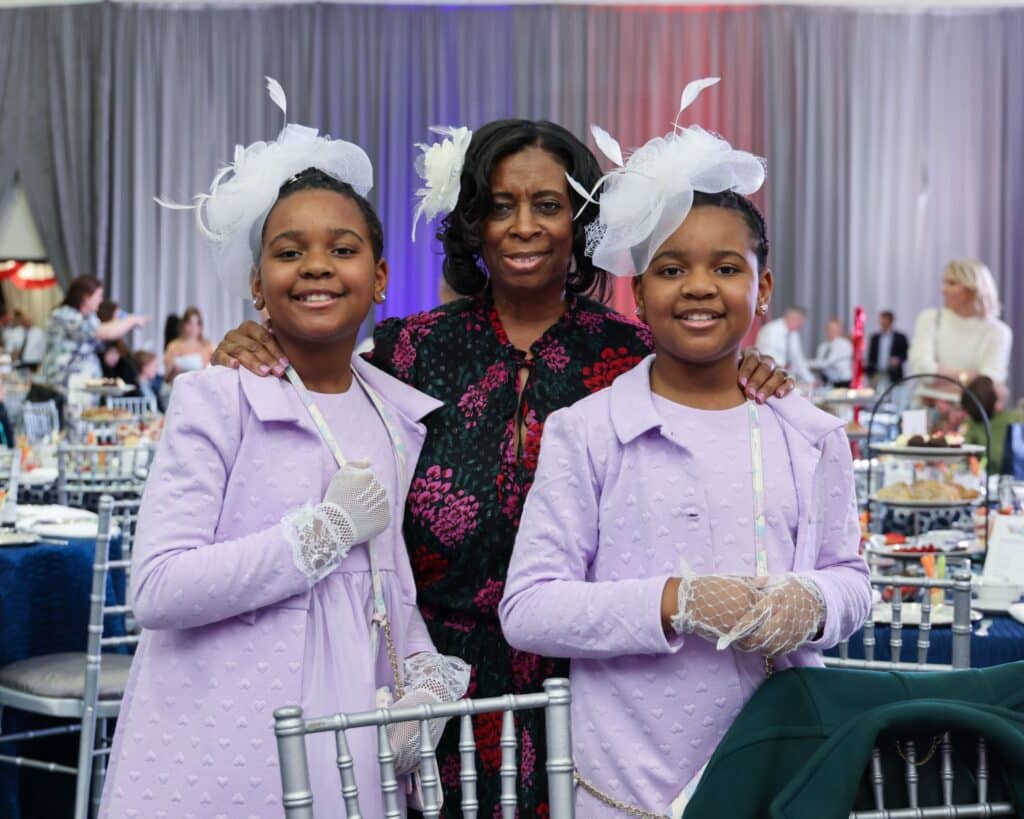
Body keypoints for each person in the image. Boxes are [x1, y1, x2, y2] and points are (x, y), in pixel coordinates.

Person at [213, 112, 795, 816]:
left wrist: (752, 367)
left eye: (547, 205)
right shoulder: (408, 351)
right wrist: (256, 342)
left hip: (592, 691)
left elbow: (709, 392)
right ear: (473, 223)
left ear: (580, 221)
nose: (523, 225)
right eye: (500, 205)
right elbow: (317, 416)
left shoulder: (640, 354)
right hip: (429, 692)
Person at [498, 81, 871, 818]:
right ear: (638, 290)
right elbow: (529, 607)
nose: (699, 286)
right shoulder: (590, 430)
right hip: (625, 783)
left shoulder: (810, 432)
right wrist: (678, 600)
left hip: (781, 772)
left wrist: (814, 600)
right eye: (671, 268)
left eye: (727, 268)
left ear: (763, 292)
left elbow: (853, 580)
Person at [100, 81, 469, 818]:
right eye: (289, 251)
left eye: (343, 249)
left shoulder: (392, 414)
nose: (317, 266)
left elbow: (385, 579)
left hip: (347, 718)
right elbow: (158, 588)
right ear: (258, 286)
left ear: (381, 279)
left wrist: (423, 674)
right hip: (223, 719)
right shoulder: (221, 397)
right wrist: (319, 532)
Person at [31, 275, 147, 408]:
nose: (101, 300)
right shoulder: (64, 315)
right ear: (86, 297)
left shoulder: (90, 317)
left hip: (81, 389)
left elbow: (104, 337)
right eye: (99, 296)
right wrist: (132, 320)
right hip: (62, 387)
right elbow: (105, 332)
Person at [908, 260, 1012, 398]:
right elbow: (921, 370)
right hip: (921, 407)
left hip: (972, 415)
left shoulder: (999, 332)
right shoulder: (929, 318)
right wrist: (968, 376)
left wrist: (937, 378)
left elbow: (987, 386)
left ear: (973, 289)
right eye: (944, 282)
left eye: (951, 283)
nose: (943, 289)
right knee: (911, 419)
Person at [962, 376, 1024, 475]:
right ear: (997, 405)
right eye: (997, 385)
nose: (1000, 382)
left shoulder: (971, 425)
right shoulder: (1016, 418)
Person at [755, 306, 813, 384]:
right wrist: (782, 366)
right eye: (801, 321)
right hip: (767, 375)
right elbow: (767, 355)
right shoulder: (772, 329)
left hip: (783, 376)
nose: (801, 325)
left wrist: (810, 380)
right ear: (793, 318)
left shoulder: (794, 334)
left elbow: (798, 359)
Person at [163, 306, 214, 383]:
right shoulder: (174, 346)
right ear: (183, 325)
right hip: (178, 387)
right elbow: (166, 378)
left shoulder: (208, 346)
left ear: (200, 326)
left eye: (196, 324)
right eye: (189, 323)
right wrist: (173, 371)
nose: (193, 328)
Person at [865, 310, 908, 386]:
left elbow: (907, 354)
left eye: (885, 320)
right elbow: (871, 356)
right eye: (881, 320)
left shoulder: (900, 337)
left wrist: (898, 360)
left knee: (895, 395)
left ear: (891, 321)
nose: (883, 322)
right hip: (877, 373)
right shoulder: (875, 338)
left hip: (894, 374)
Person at [809, 318, 854, 387]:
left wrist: (803, 363)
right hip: (828, 383)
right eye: (829, 329)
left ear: (841, 331)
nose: (832, 332)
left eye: (835, 329)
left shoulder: (845, 345)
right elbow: (819, 365)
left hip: (843, 383)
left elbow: (826, 363)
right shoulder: (822, 347)